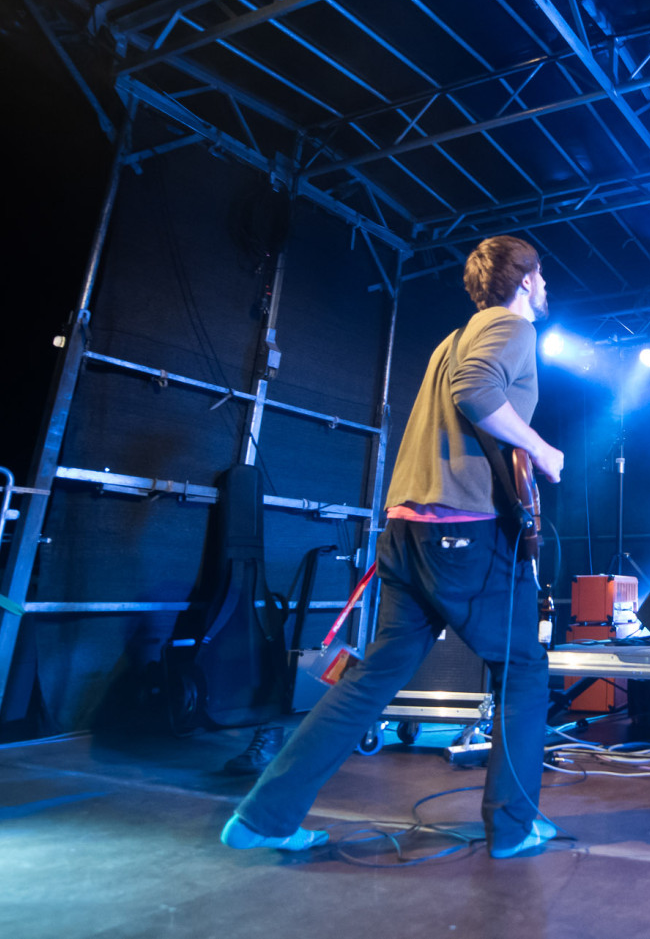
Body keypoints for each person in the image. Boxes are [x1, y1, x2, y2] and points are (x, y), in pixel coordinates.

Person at [220, 235, 565, 859]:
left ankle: (265, 816)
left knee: (369, 681)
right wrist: (540, 449)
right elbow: (477, 394)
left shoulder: (449, 341)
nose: (546, 288)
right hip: (461, 534)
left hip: (406, 535)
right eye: (541, 277)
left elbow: (466, 401)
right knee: (523, 671)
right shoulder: (511, 328)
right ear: (526, 279)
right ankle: (513, 828)